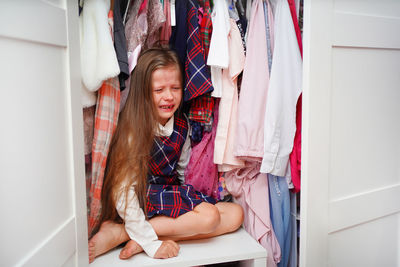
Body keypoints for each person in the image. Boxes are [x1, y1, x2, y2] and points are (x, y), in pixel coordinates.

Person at [88, 47, 244, 263]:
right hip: (140, 200)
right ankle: (125, 233)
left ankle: (129, 235)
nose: (169, 96)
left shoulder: (182, 126)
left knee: (235, 215)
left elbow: (181, 172)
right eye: (159, 90)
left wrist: (188, 205)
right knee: (210, 217)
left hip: (167, 196)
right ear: (143, 92)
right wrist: (152, 244)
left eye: (175, 88)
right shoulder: (133, 130)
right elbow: (123, 193)